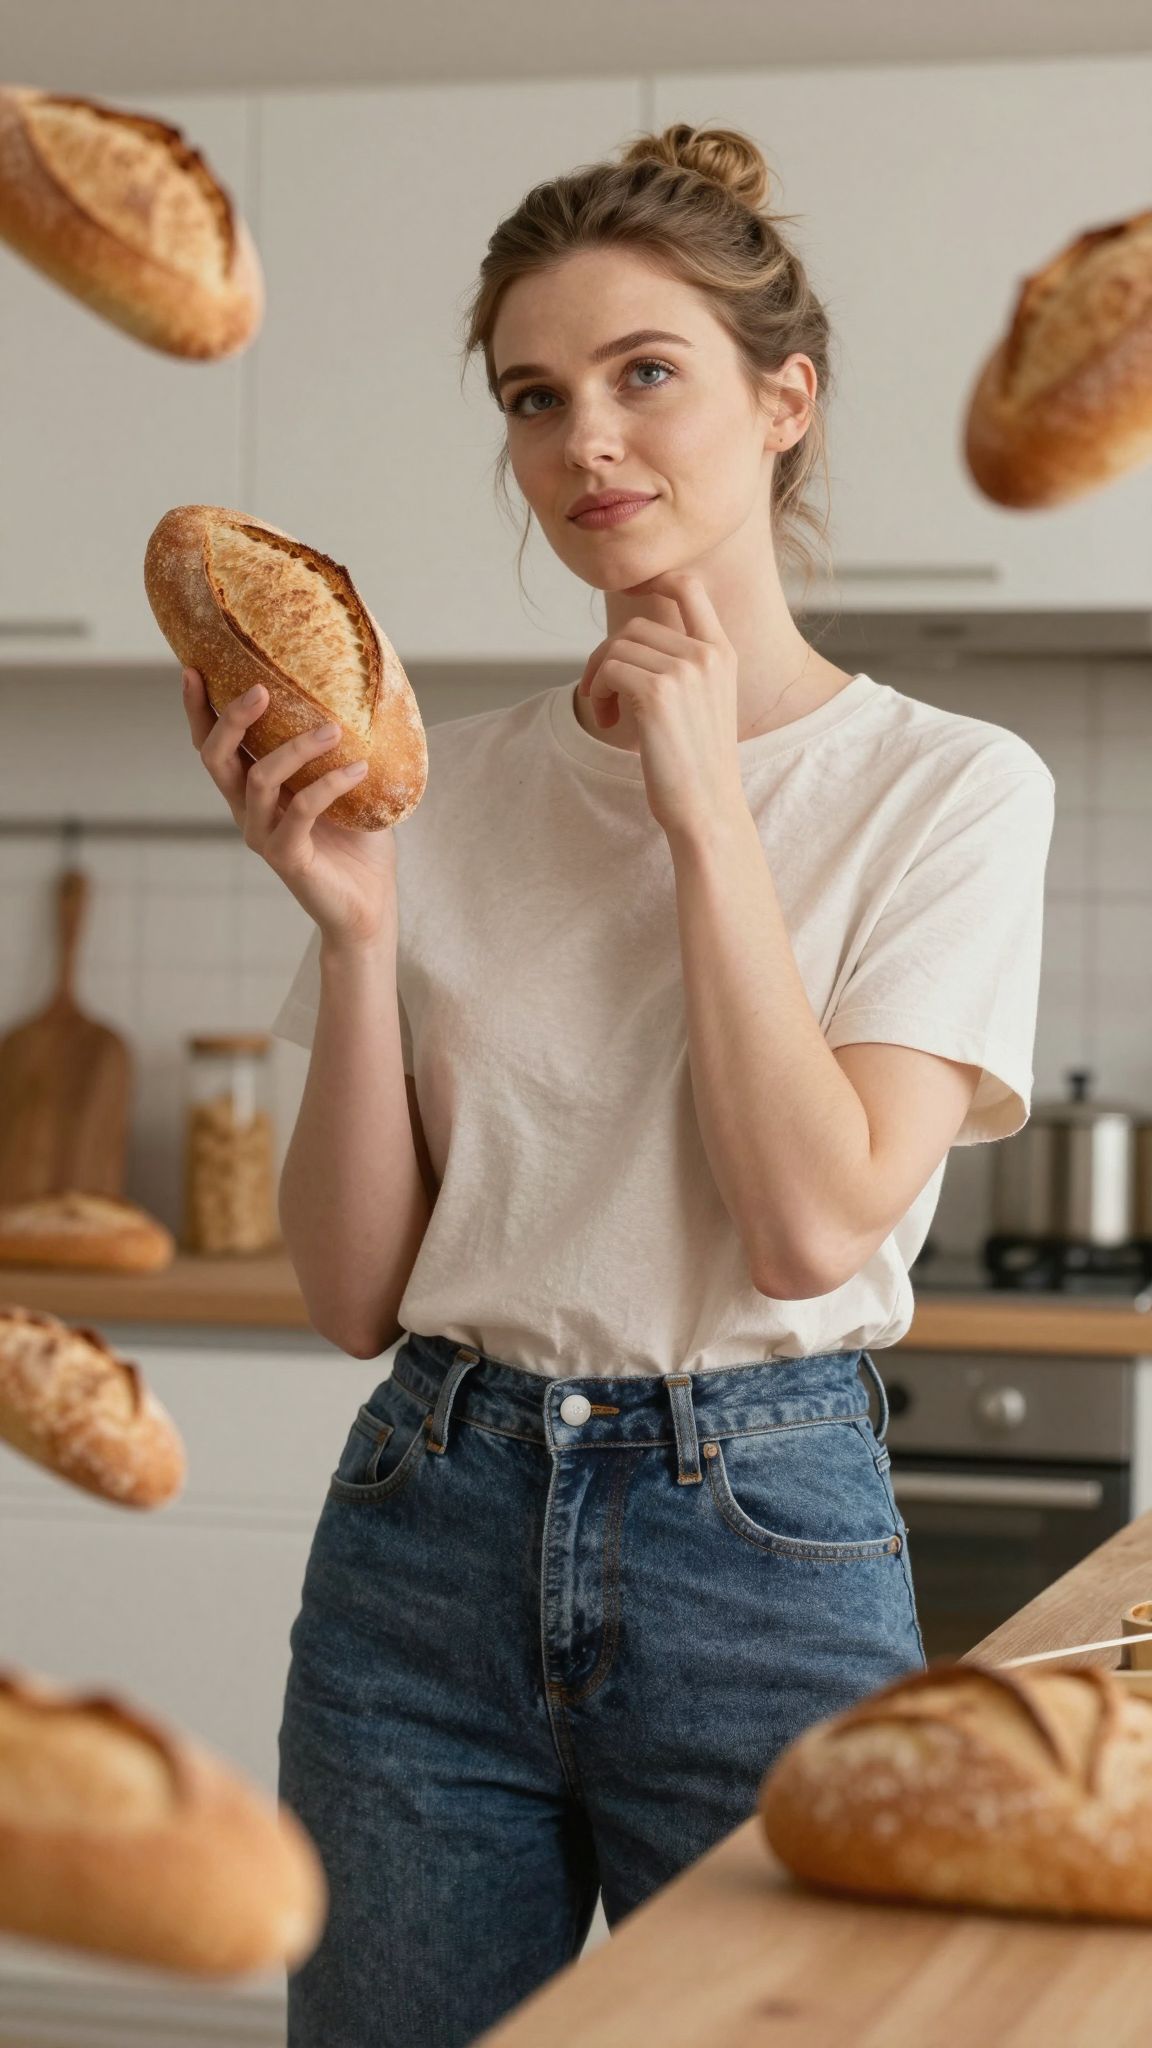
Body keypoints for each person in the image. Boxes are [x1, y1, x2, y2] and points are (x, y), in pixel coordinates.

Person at [182, 123, 1055, 2048]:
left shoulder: (951, 787)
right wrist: (346, 926)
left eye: (646, 372)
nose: (587, 438)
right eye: (534, 395)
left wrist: (699, 805)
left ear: (784, 400)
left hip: (760, 1535)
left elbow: (813, 1218)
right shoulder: (441, 785)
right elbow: (348, 1296)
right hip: (426, 1521)